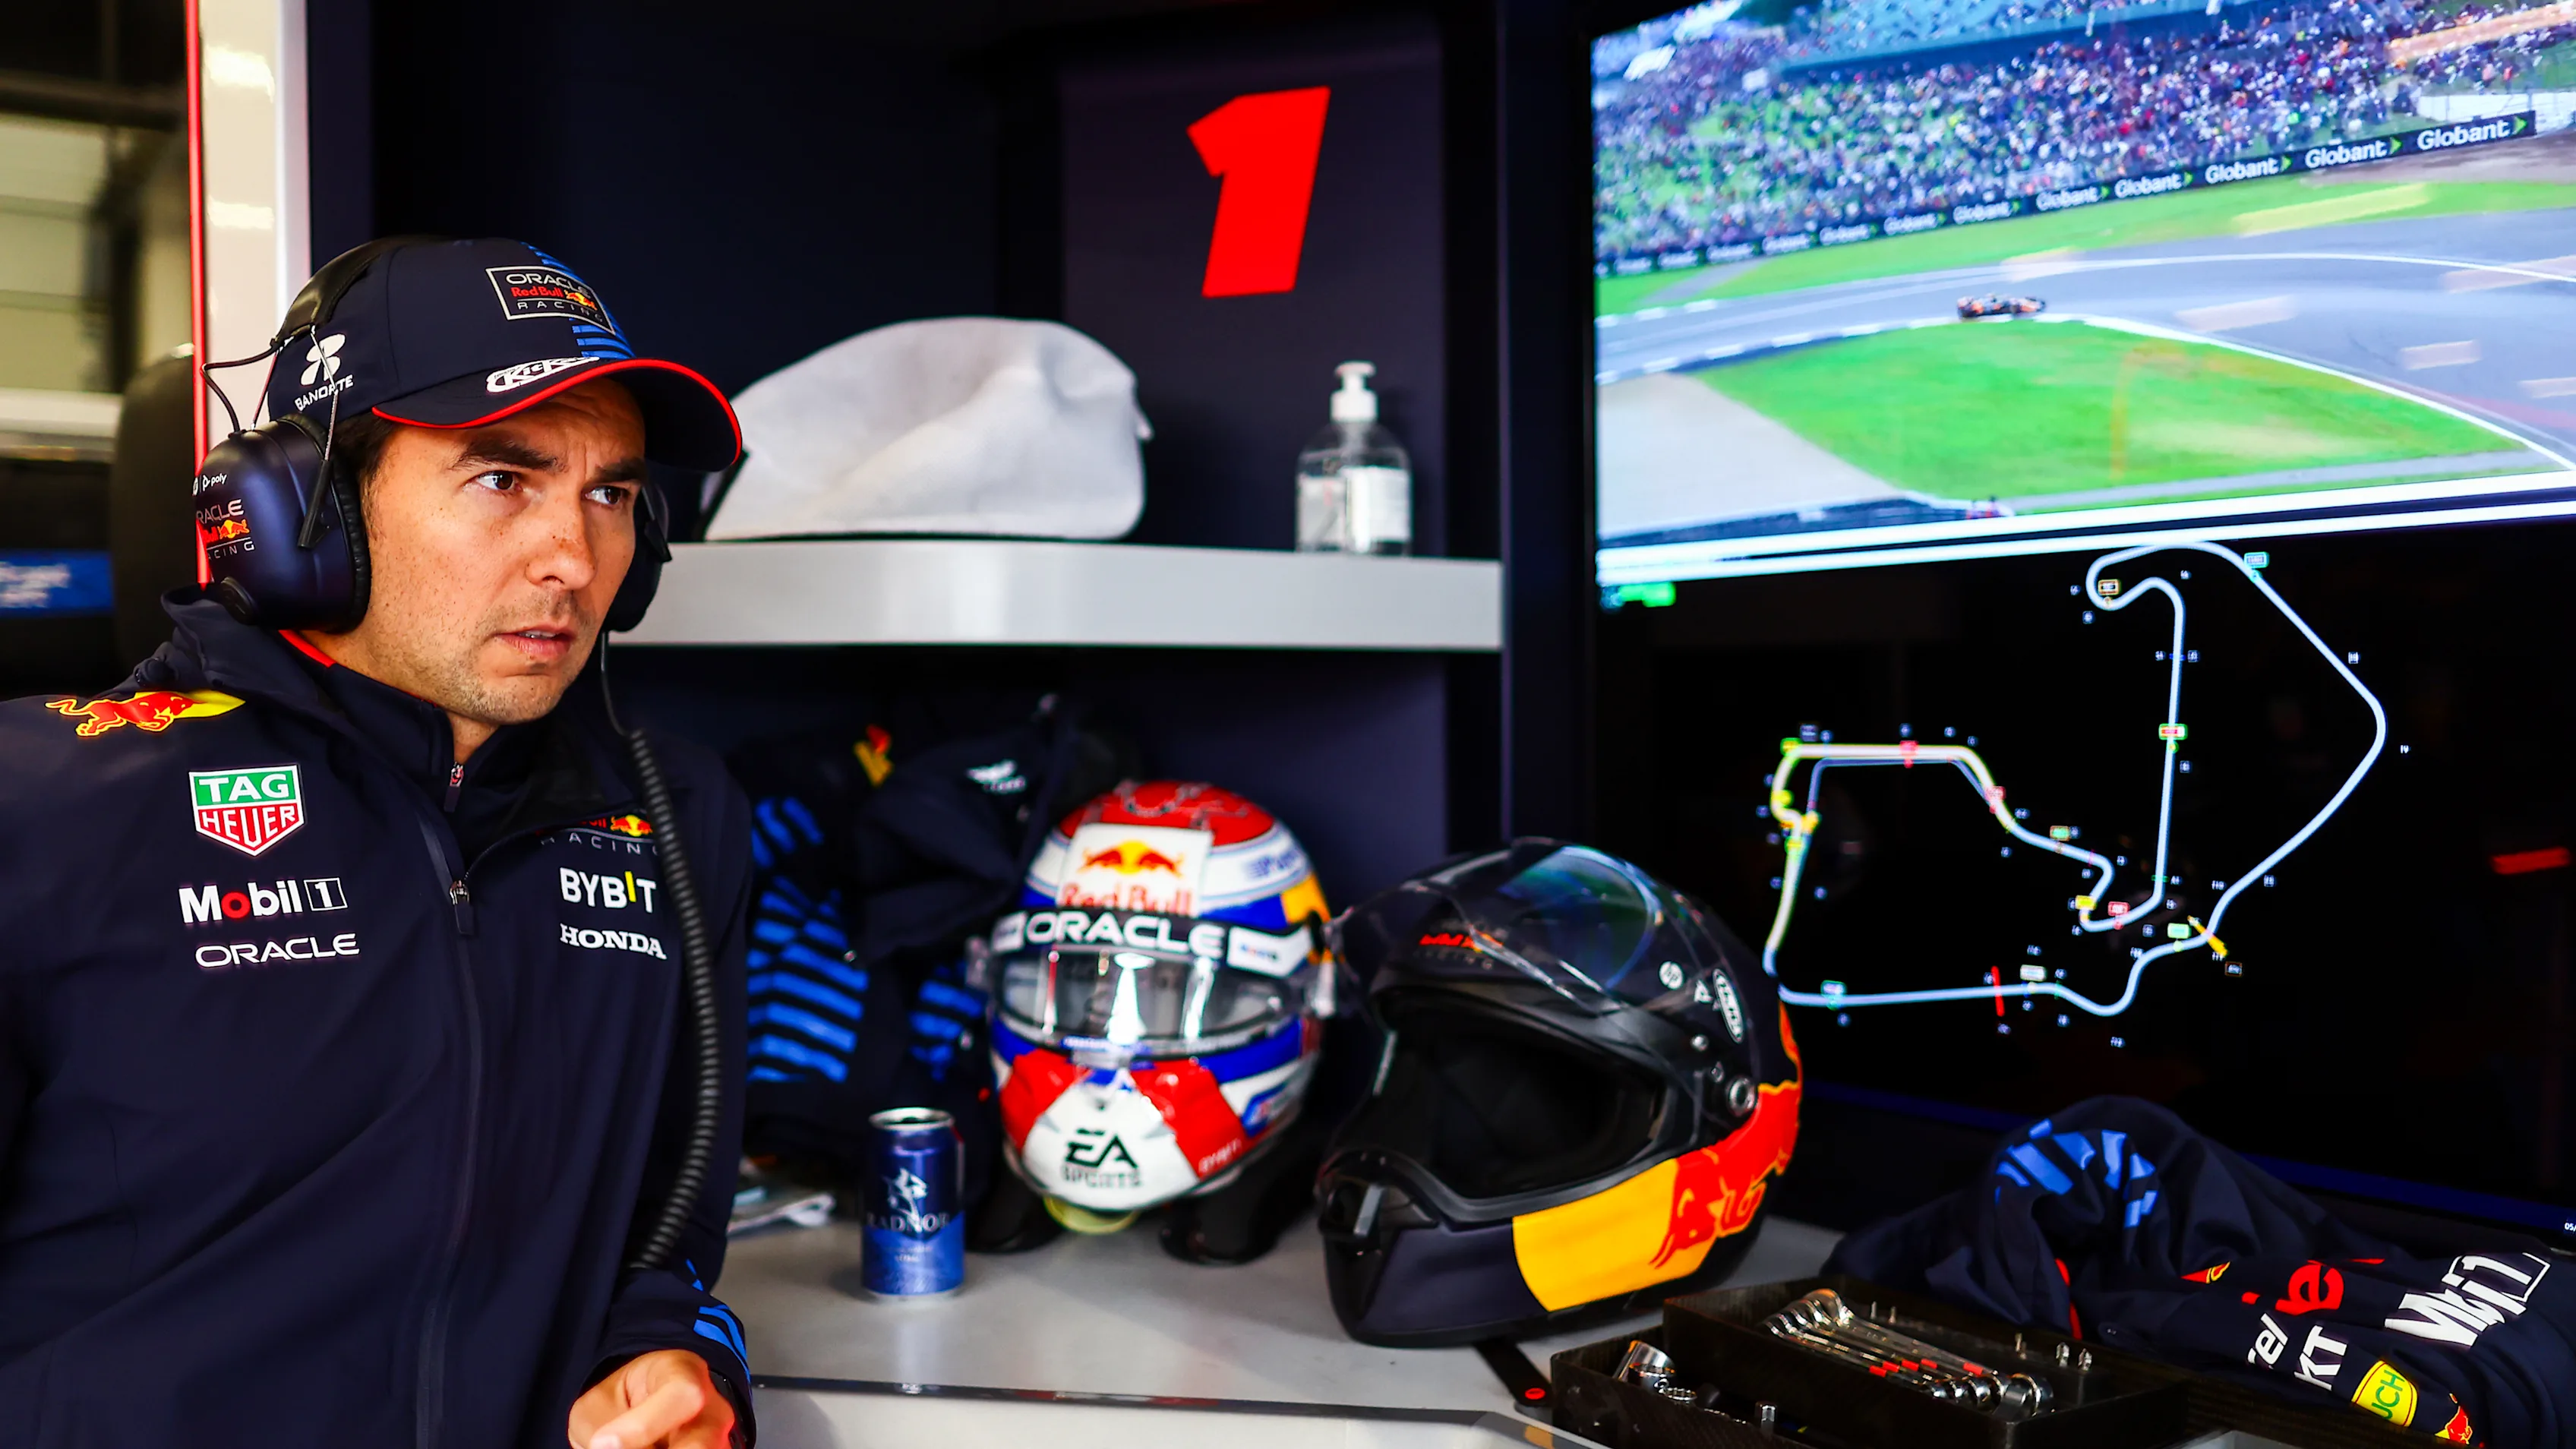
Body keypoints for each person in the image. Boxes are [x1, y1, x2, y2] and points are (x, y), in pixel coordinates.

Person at [0, 238, 754, 1448]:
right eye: (504, 480)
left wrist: (667, 1355)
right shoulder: (46, 804)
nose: (573, 558)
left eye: (609, 494)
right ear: (309, 508)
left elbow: (671, 1238)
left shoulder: (676, 819)